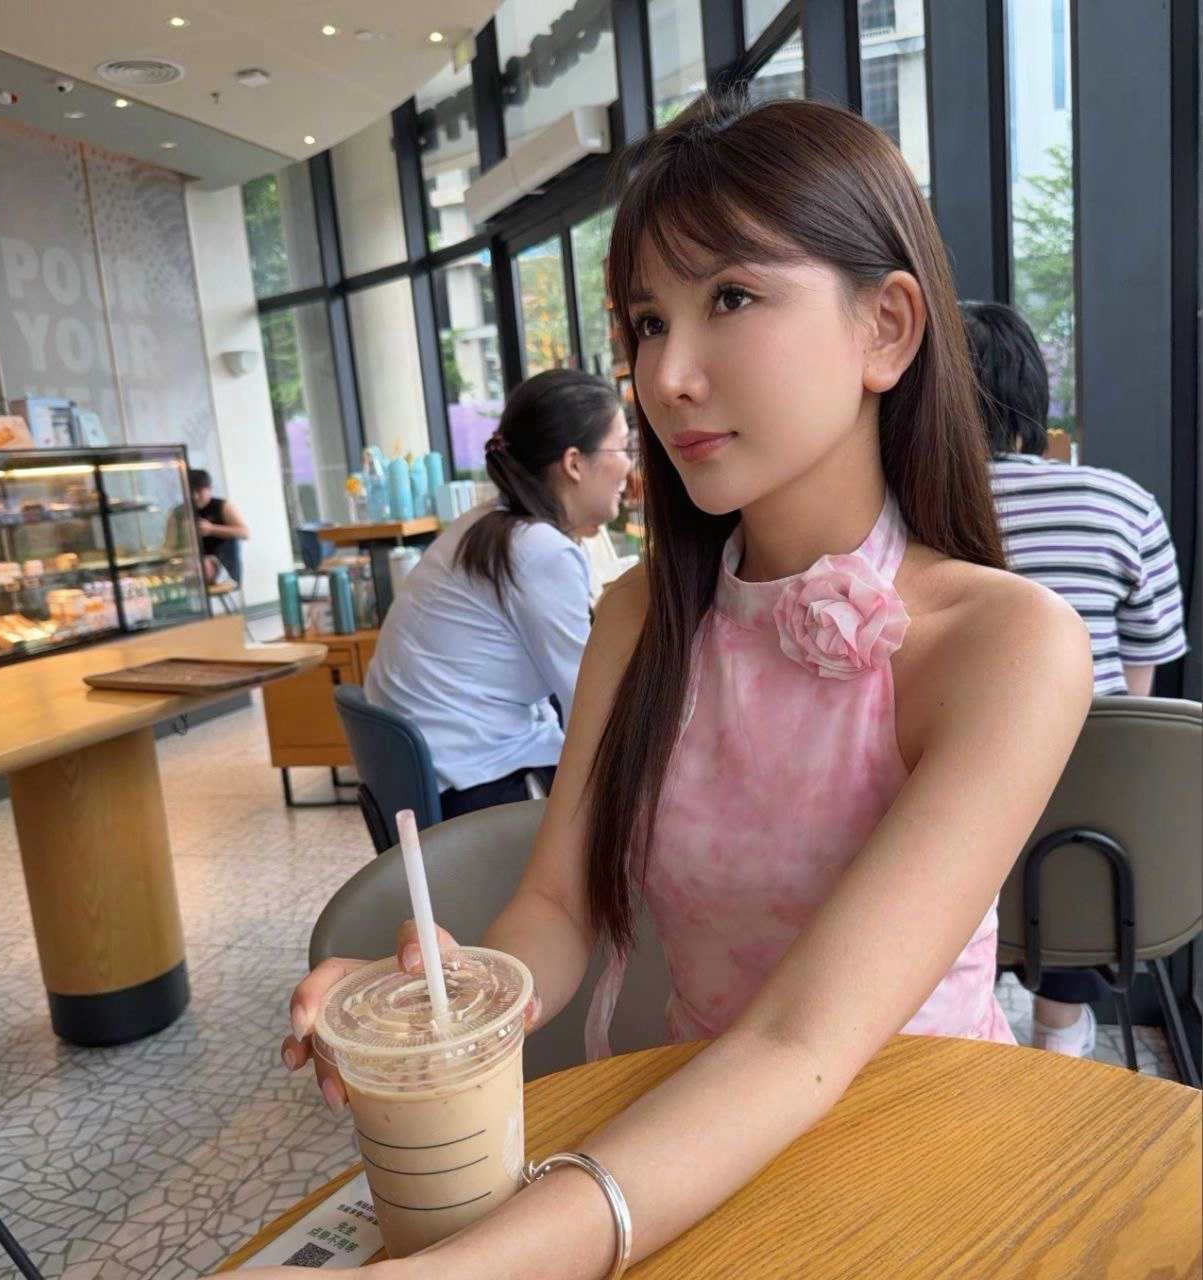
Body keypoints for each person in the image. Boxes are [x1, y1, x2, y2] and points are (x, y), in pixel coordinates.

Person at [270, 95, 1091, 1280]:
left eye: (732, 298)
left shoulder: (1006, 645)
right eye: (647, 321)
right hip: (689, 1154)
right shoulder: (639, 615)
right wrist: (454, 997)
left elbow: (801, 1039)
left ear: (886, 327)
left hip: (925, 1160)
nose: (665, 374)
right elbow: (559, 905)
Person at [962, 299, 1188, 1058]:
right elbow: (1138, 688)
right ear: (1034, 392)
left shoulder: (913, 508)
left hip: (955, 834)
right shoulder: (1122, 502)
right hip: (1098, 855)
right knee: (1084, 767)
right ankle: (1059, 1030)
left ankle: (968, 1025)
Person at [364, 368, 632, 819]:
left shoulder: (488, 523)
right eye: (621, 448)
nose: (629, 466)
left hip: (435, 770)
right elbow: (592, 706)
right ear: (574, 463)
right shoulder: (539, 550)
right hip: (476, 785)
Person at [169, 468, 249, 586]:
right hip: (192, 571)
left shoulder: (222, 506)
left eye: (199, 491)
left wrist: (212, 529)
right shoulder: (178, 512)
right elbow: (169, 546)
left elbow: (244, 533)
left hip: (223, 569)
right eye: (190, 492)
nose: (195, 496)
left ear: (209, 489)